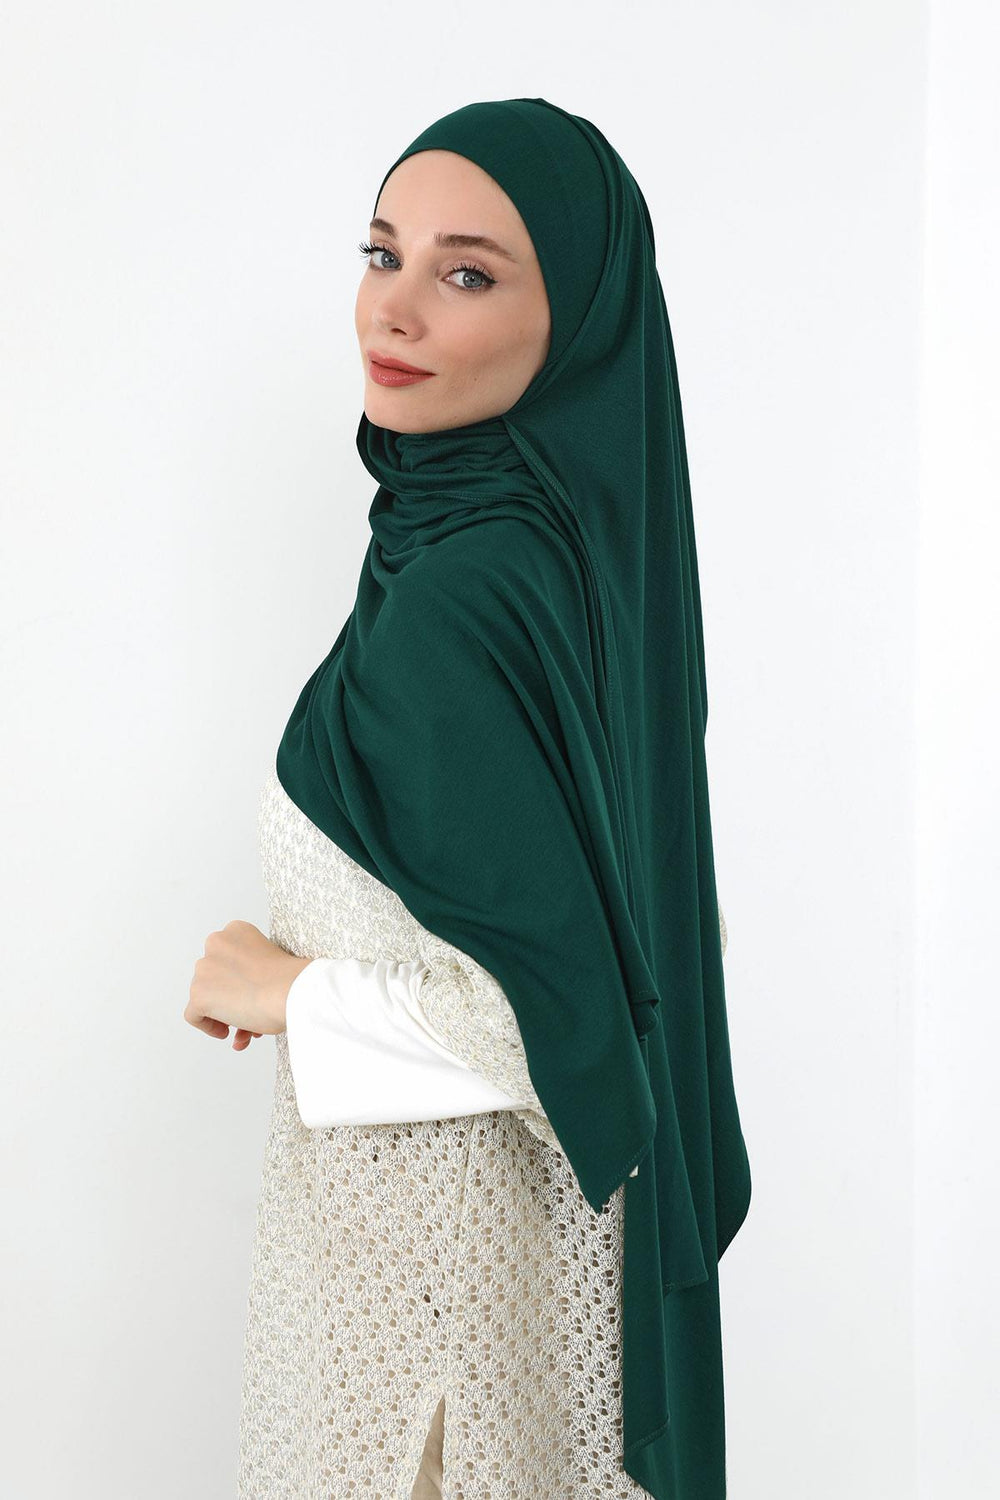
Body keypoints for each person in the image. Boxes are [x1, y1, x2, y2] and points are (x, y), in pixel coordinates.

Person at [186, 97, 751, 1499]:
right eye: (384, 254)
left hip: (440, 1330)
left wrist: (284, 990)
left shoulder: (463, 596)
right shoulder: (565, 549)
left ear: (578, 322)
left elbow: (552, 1027)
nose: (396, 309)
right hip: (494, 1289)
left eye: (469, 274)